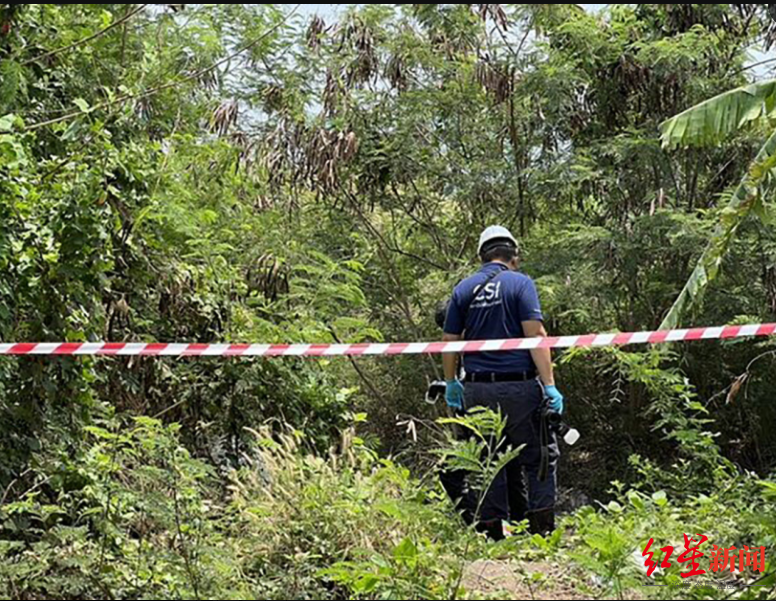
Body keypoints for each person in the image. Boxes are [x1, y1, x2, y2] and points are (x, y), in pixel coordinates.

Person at [442, 225, 564, 536]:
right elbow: (536, 335)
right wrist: (549, 385)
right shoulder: (520, 284)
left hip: (477, 389)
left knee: (488, 457)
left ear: (482, 256)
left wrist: (451, 382)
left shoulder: (462, 289)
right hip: (520, 387)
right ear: (514, 257)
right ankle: (542, 534)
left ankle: (494, 535)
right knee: (539, 456)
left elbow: (449, 340)